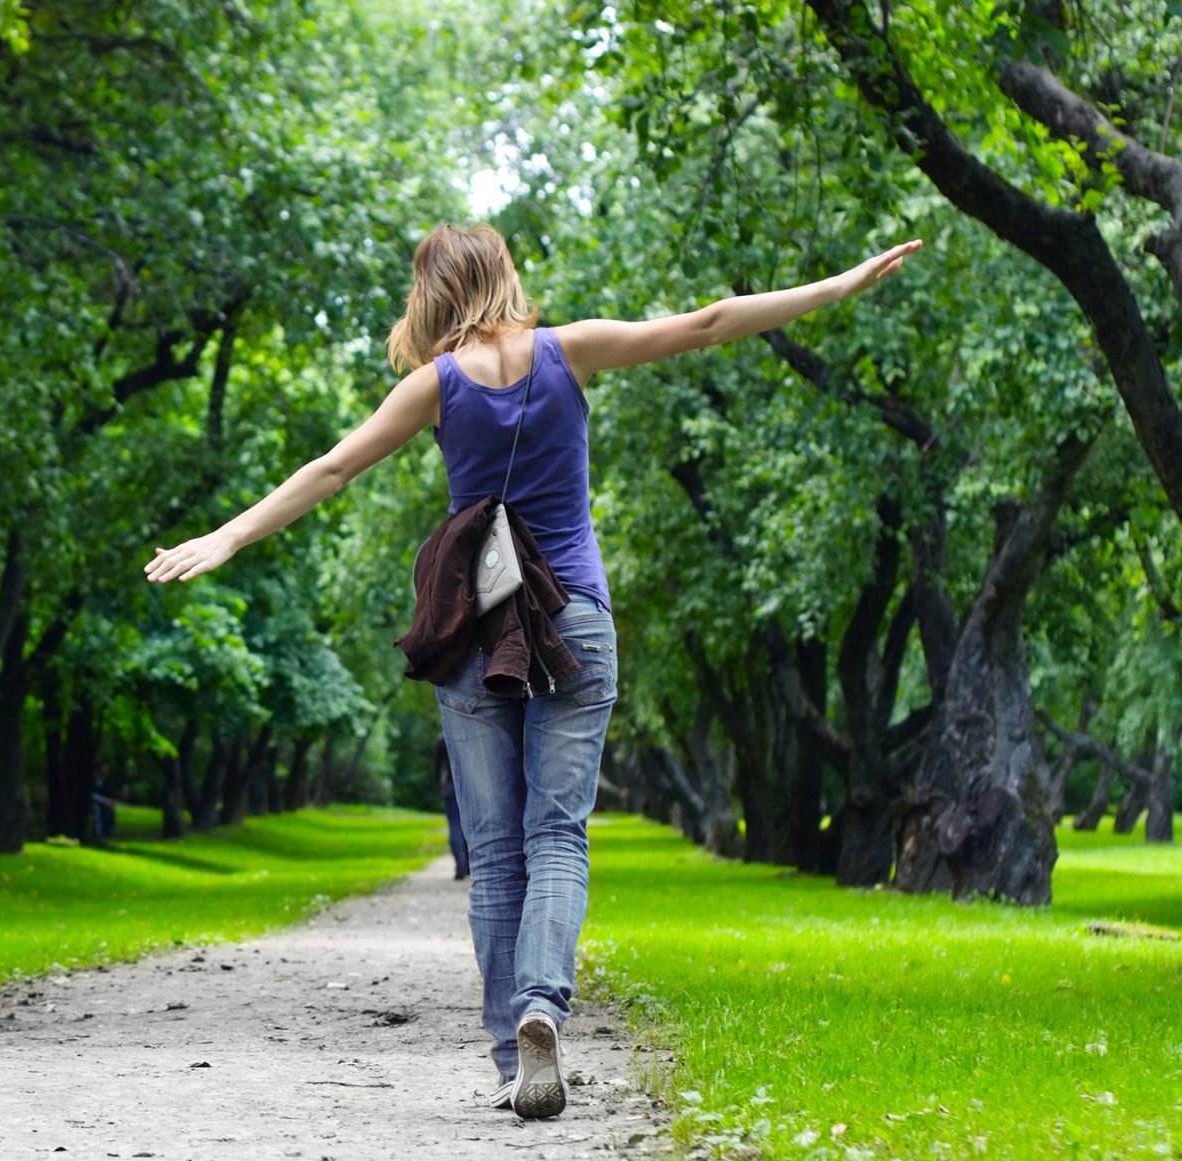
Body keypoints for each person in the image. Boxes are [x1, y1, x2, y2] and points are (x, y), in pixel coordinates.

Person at [144, 224, 920, 1120]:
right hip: (574, 618)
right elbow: (709, 322)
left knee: (497, 846)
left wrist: (227, 535)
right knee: (559, 833)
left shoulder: (432, 387)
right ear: (503, 273)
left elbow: (333, 467)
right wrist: (837, 284)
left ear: (431, 291)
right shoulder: (570, 350)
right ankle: (544, 1008)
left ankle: (509, 1045)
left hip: (474, 631)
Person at [435, 735, 470, 881]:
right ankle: (469, 865)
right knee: (471, 826)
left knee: (455, 827)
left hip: (452, 787)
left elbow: (436, 767)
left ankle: (461, 866)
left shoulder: (442, 740)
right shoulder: (472, 733)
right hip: (472, 787)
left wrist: (439, 787)